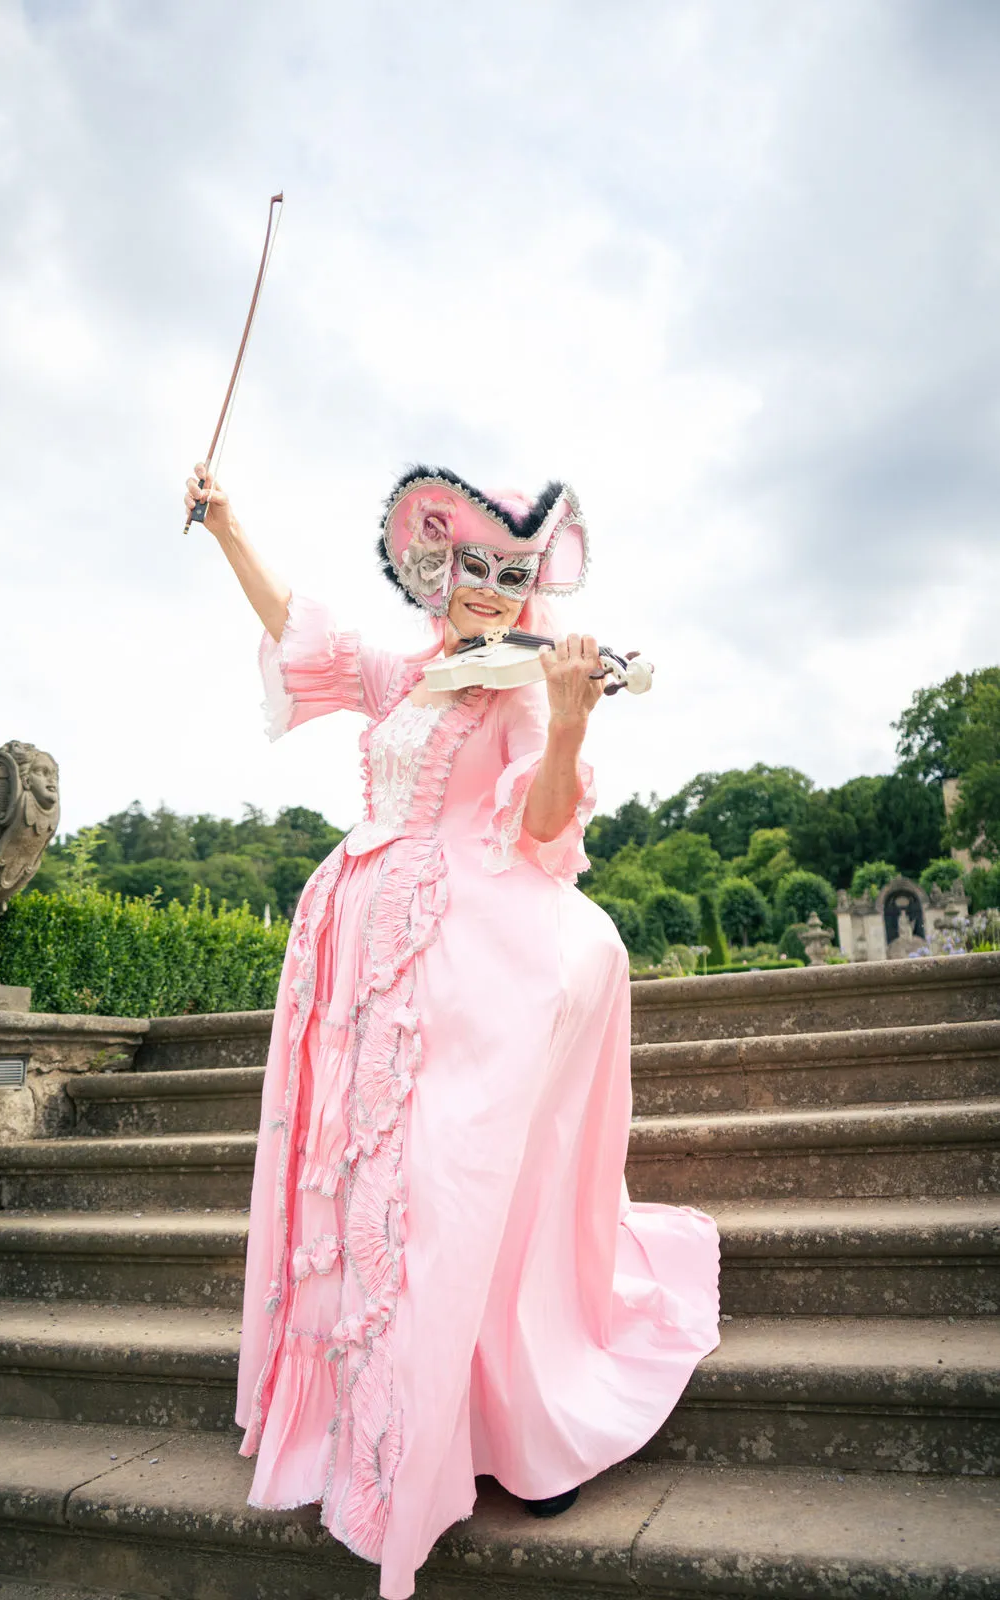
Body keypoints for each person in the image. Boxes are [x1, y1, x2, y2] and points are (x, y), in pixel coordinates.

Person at [183, 462, 721, 1600]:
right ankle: (366, 1423)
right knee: (356, 1184)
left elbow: (536, 827)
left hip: (464, 935)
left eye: (510, 574)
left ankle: (501, 1423)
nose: (488, 589)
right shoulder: (409, 672)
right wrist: (228, 523)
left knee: (442, 1187)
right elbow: (296, 629)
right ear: (437, 568)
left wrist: (568, 718)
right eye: (470, 566)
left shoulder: (523, 685)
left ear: (529, 584)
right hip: (356, 941)